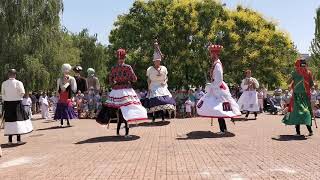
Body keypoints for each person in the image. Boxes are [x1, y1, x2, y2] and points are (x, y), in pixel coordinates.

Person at [96, 48, 147, 137]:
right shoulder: (128, 67)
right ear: (124, 58)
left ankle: (118, 132)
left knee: (119, 112)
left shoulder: (114, 68)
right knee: (127, 111)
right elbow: (134, 79)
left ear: (118, 58)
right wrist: (130, 79)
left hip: (116, 91)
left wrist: (114, 85)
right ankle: (126, 133)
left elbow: (110, 80)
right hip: (126, 90)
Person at [196, 45, 241, 134]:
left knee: (219, 109)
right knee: (218, 109)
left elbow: (219, 79)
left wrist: (212, 86)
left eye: (211, 54)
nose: (210, 56)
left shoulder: (217, 65)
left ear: (215, 54)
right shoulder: (215, 64)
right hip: (216, 88)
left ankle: (223, 129)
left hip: (218, 89)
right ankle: (223, 129)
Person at [144, 40, 176, 122]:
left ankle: (162, 117)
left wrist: (165, 82)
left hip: (162, 86)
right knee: (155, 101)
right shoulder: (150, 69)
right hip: (154, 86)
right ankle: (154, 117)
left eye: (158, 61)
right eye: (156, 61)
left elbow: (166, 77)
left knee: (164, 101)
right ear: (154, 61)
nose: (157, 62)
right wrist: (149, 87)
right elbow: (148, 79)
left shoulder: (164, 68)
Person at [282, 59, 314, 136]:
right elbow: (311, 84)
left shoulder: (295, 72)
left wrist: (292, 80)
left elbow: (287, 81)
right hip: (305, 96)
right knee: (306, 111)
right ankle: (310, 131)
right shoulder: (308, 72)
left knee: (296, 113)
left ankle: (298, 132)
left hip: (297, 96)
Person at [1, 69, 33, 144]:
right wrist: (17, 97)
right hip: (17, 103)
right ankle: (18, 140)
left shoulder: (4, 83)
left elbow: (3, 94)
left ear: (8, 75)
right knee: (18, 120)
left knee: (9, 121)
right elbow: (22, 92)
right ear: (15, 75)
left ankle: (9, 141)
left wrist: (7, 99)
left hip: (8, 104)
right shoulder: (18, 83)